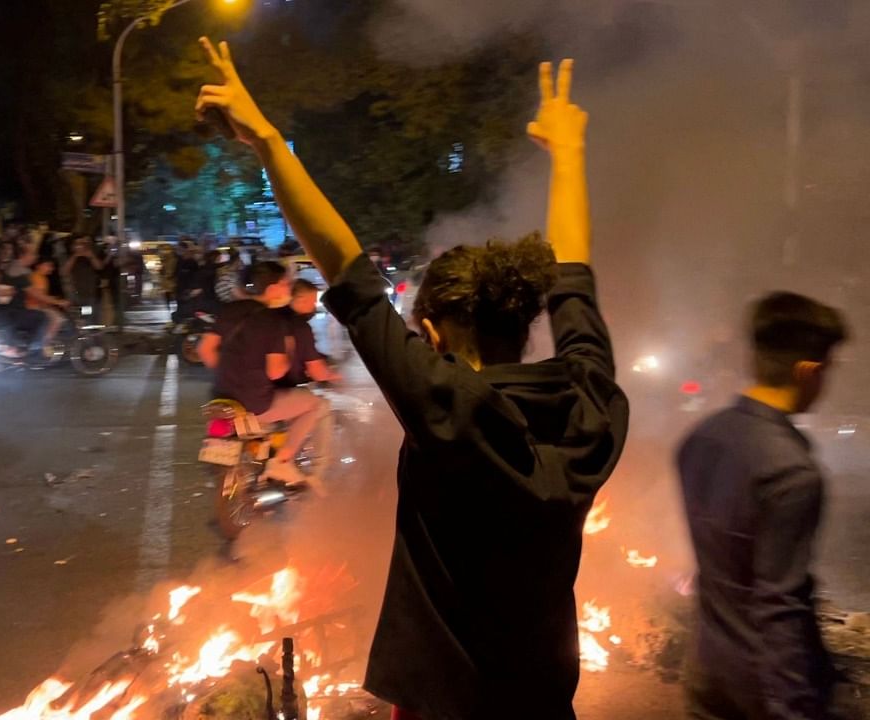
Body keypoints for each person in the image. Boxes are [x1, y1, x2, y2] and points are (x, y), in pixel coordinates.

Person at [195, 41, 629, 718]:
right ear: (526, 316)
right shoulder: (589, 402)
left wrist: (268, 140)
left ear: (431, 333)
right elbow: (575, 276)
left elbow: (345, 269)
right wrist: (569, 154)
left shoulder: (445, 407)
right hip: (545, 701)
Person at [678, 293, 851, 720]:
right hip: (758, 693)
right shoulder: (791, 472)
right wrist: (794, 708)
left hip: (705, 671)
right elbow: (780, 607)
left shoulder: (700, 439)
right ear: (807, 371)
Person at [197, 261, 329, 488]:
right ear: (272, 289)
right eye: (286, 284)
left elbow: (205, 350)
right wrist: (288, 352)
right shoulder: (272, 320)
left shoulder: (230, 310)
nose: (289, 288)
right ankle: (282, 461)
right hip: (255, 402)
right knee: (316, 405)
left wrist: (230, 370)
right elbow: (276, 372)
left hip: (221, 396)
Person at [278, 279, 340, 387]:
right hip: (285, 387)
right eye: (312, 302)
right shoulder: (300, 326)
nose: (314, 307)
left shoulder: (273, 318)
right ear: (301, 300)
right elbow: (317, 372)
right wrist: (333, 376)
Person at [26, 256, 71, 348]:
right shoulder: (37, 277)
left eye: (52, 266)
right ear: (39, 265)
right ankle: (44, 344)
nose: (51, 268)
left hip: (38, 306)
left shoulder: (42, 278)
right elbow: (41, 297)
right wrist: (58, 302)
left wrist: (55, 301)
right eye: (48, 265)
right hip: (33, 307)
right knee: (58, 319)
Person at [65, 235, 104, 313]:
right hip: (80, 294)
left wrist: (90, 256)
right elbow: (65, 271)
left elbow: (99, 267)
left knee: (95, 316)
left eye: (83, 243)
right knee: (86, 315)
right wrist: (75, 255)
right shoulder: (71, 256)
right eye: (77, 244)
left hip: (94, 293)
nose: (80, 246)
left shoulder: (92, 254)